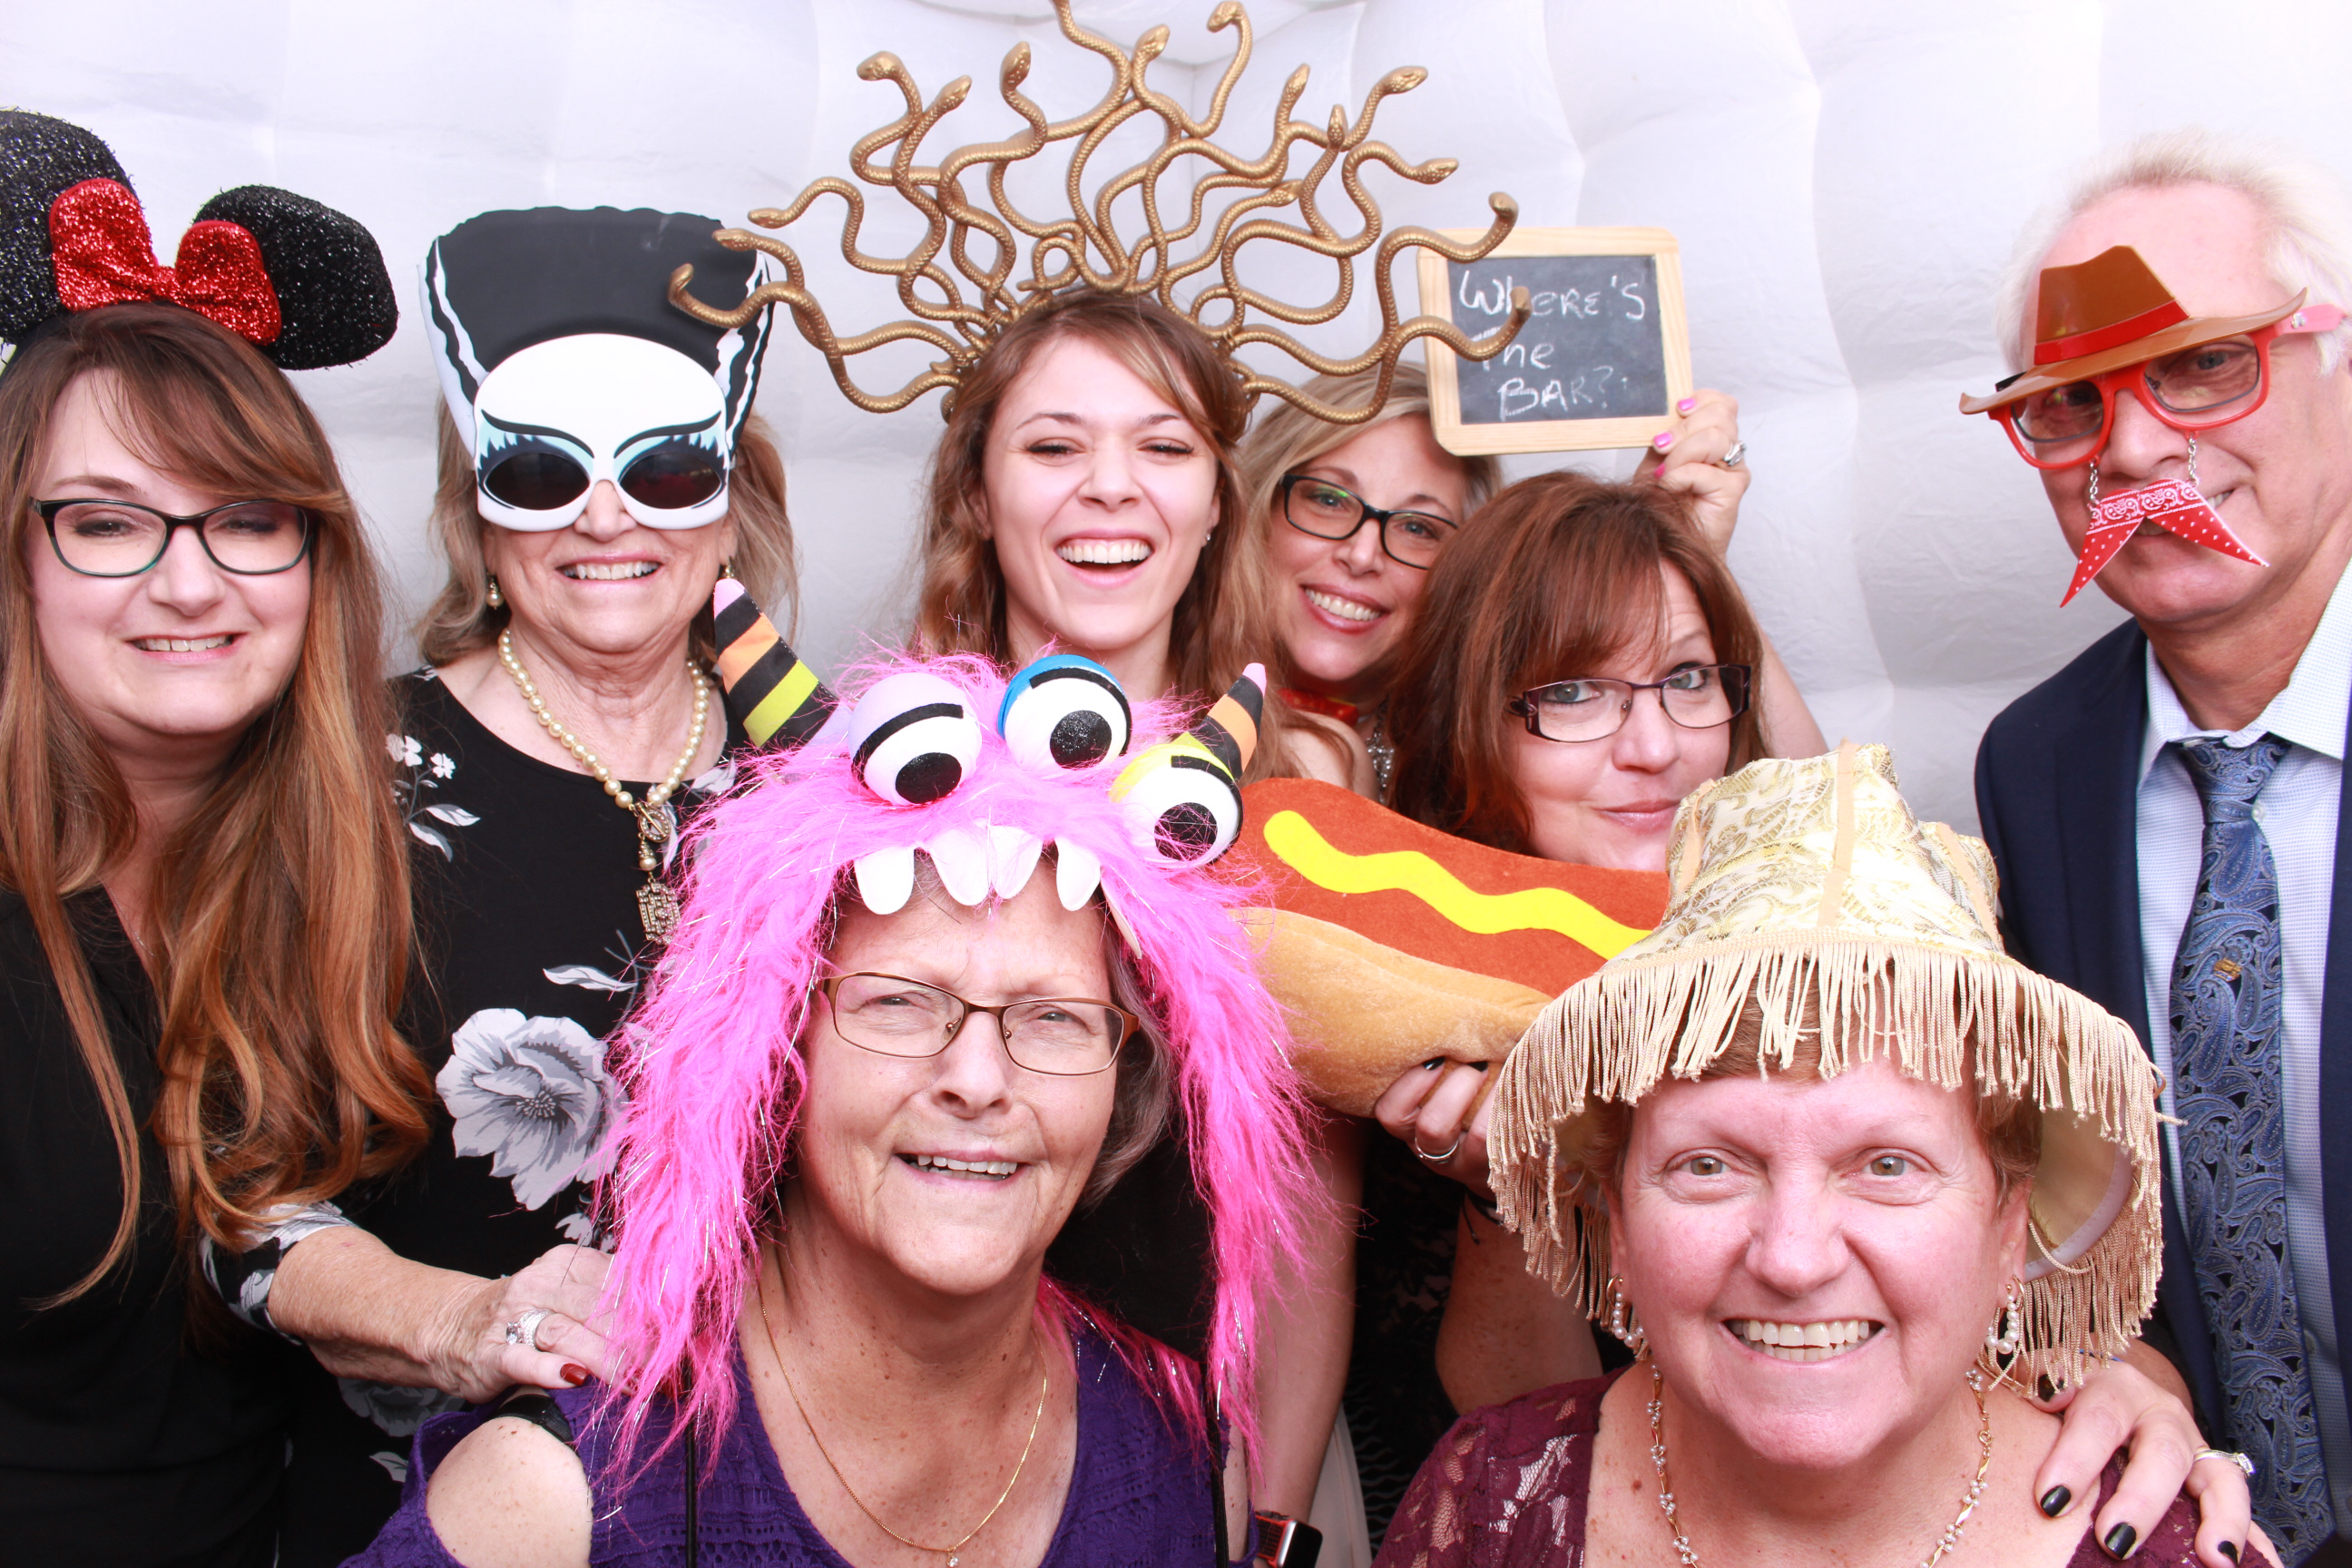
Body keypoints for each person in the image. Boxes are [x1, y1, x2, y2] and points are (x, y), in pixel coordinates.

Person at [344, 652, 1325, 1566]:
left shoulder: (1188, 1449)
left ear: (1125, 1081)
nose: (978, 1079)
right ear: (779, 1054)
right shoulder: (554, 1498)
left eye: (1054, 1018)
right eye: (899, 1004)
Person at [201, 205, 799, 1566]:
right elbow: (237, 1192)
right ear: (476, 500)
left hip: (759, 1507)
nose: (605, 516)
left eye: (665, 470)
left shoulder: (828, 784)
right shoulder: (347, 774)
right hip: (423, 1508)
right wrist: (466, 1324)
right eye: (540, 471)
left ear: (734, 495)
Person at [1378, 743, 2248, 1567]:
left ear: (2008, 1229)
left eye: (1888, 1166)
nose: (1793, 1261)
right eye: (1709, 1167)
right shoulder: (1485, 1505)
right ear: (1621, 1221)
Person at [0, 113, 412, 1563]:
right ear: (19, 560)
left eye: (244, 517)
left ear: (313, 556)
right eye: (110, 524)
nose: (189, 584)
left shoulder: (366, 859)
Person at [1969, 131, 2352, 1566]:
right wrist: (2114, 1355)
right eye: (2072, 402)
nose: (2130, 451)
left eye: (2201, 366)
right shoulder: (2039, 765)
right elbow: (2074, 1178)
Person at [1235, 364, 1749, 797]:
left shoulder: (1480, 750)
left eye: (1418, 528)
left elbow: (1784, 799)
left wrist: (1682, 553)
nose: (1362, 554)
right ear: (1254, 504)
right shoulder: (1179, 686)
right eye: (1328, 500)